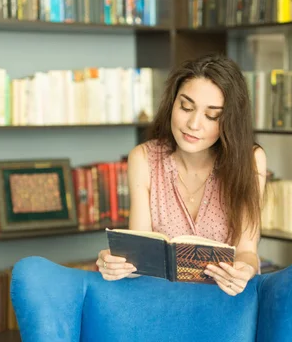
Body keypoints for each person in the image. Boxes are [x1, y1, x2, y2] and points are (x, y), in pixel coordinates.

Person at [96, 53, 267, 296]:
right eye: (186, 107)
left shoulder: (250, 160)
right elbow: (140, 256)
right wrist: (115, 263)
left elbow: (247, 250)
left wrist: (244, 270)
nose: (193, 124)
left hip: (226, 299)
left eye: (212, 116)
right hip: (163, 301)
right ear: (172, 103)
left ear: (229, 120)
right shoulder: (144, 158)